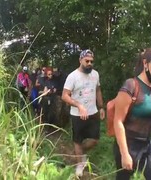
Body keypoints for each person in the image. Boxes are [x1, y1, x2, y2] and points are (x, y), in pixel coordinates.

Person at [112, 48, 151, 180]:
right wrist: (124, 154)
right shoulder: (131, 85)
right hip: (128, 144)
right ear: (145, 64)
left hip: (147, 145)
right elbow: (117, 121)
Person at [61, 49, 105, 177]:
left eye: (91, 61)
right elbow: (64, 96)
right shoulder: (72, 76)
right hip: (77, 114)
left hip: (93, 112)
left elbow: (97, 90)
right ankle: (80, 164)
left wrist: (101, 107)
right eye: (87, 61)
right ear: (80, 60)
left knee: (95, 140)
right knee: (78, 140)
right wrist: (79, 105)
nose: (89, 63)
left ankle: (80, 153)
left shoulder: (95, 74)